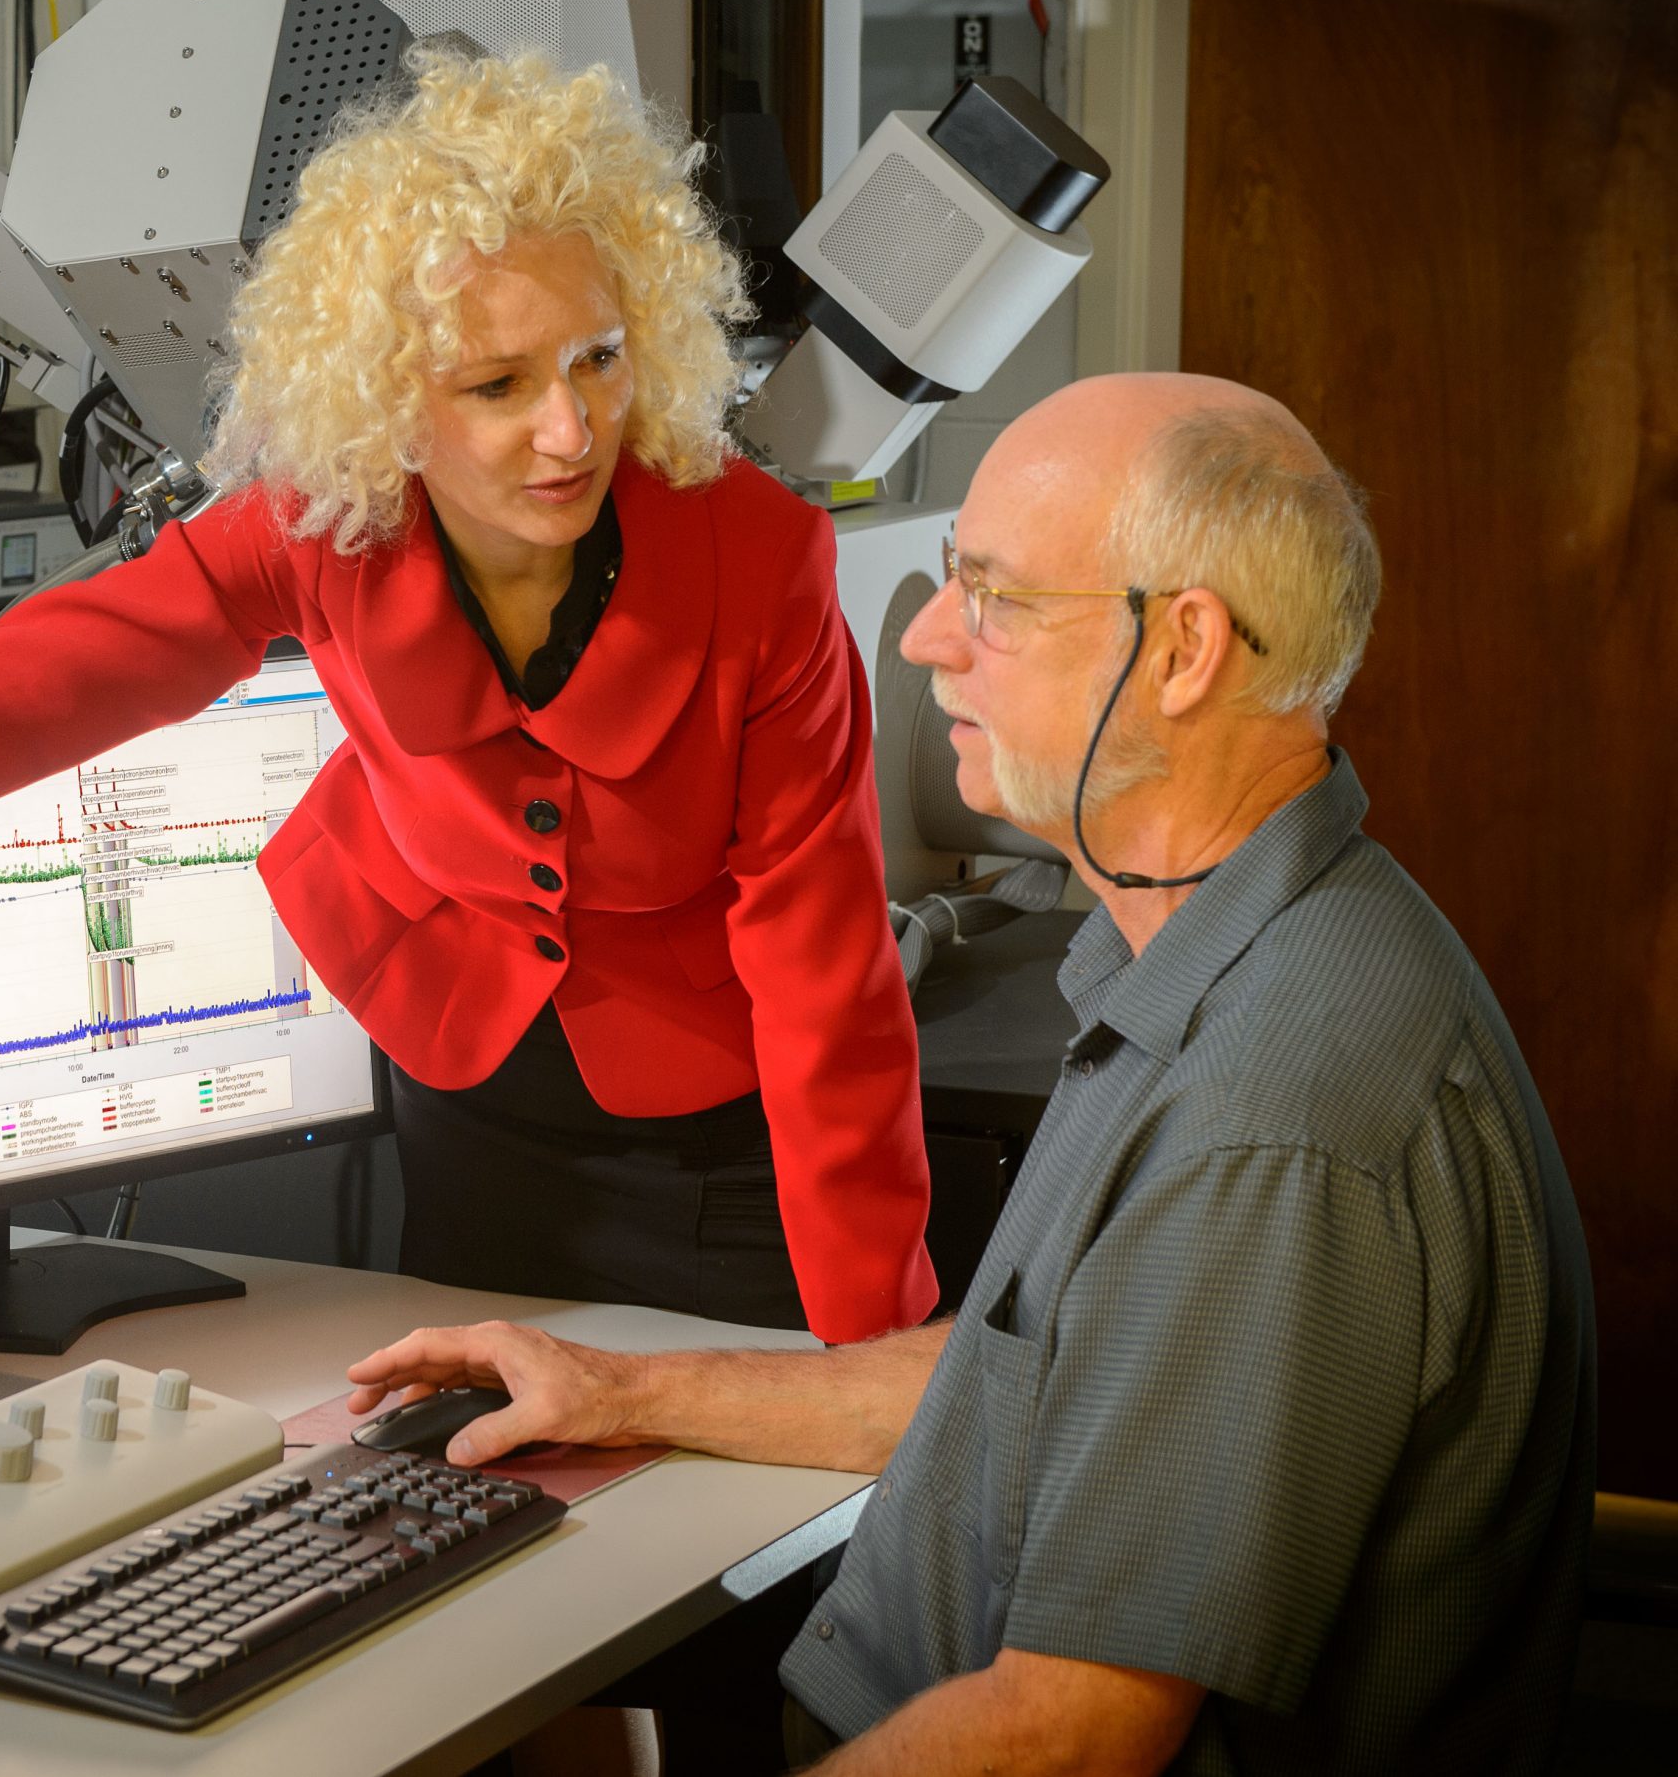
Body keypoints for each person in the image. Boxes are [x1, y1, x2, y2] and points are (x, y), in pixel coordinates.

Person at [0, 48, 937, 1343]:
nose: (572, 427)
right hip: (471, 1111)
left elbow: (828, 978)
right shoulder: (322, 523)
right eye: (497, 384)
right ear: (389, 395)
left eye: (601, 359)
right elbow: (10, 697)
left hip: (724, 1153)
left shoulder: (758, 558)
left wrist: (876, 1348)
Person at [344, 373, 1596, 1775]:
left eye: (993, 597)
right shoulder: (1229, 950)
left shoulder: (1269, 1118)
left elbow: (1072, 1734)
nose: (931, 636)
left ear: (1181, 650)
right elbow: (1044, 1379)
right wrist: (619, 1391)